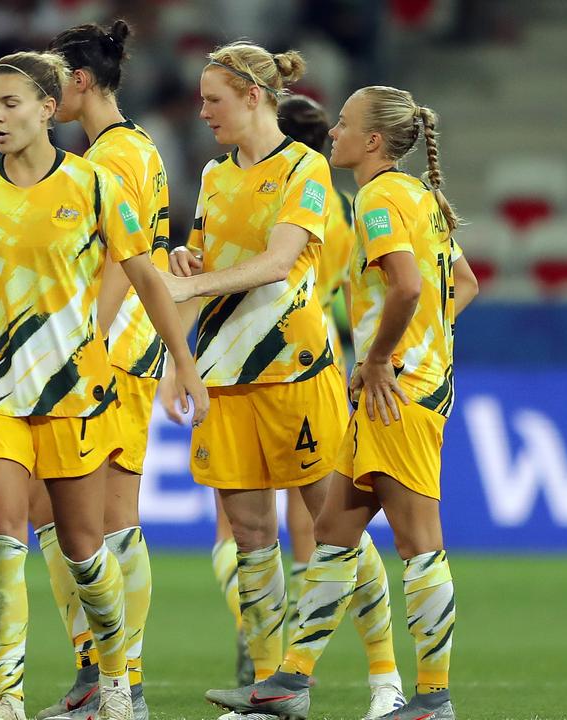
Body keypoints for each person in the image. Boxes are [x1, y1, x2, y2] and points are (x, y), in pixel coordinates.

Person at [0, 50, 208, 720]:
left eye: (9, 103)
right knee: (1, 536)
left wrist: (182, 361)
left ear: (48, 109)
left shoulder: (96, 185)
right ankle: (9, 696)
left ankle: (114, 674)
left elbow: (145, 278)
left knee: (83, 549)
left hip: (74, 393)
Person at [204, 85, 478, 720]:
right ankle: (288, 683)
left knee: (419, 544)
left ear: (373, 141)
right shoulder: (420, 197)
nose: (333, 134)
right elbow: (461, 284)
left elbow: (408, 285)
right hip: (405, 385)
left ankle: (433, 699)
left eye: (346, 125)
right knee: (333, 533)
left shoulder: (380, 197)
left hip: (396, 394)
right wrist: (421, 343)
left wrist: (383, 356)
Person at [160, 42, 397, 718]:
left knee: (334, 528)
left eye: (214, 100)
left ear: (254, 96)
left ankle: (385, 678)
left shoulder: (306, 168)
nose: (202, 112)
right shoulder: (212, 175)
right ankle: (267, 689)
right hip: (224, 376)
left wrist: (201, 277)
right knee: (250, 537)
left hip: (297, 370)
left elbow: (279, 262)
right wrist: (180, 356)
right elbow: (206, 265)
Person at [16, 20, 169, 720]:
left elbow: (119, 259)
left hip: (114, 353)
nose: (42, 95)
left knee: (109, 521)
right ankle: (94, 669)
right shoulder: (113, 150)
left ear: (79, 82)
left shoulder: (118, 155)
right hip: (100, 350)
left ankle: (123, 682)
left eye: (52, 81)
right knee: (54, 512)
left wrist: (91, 339)